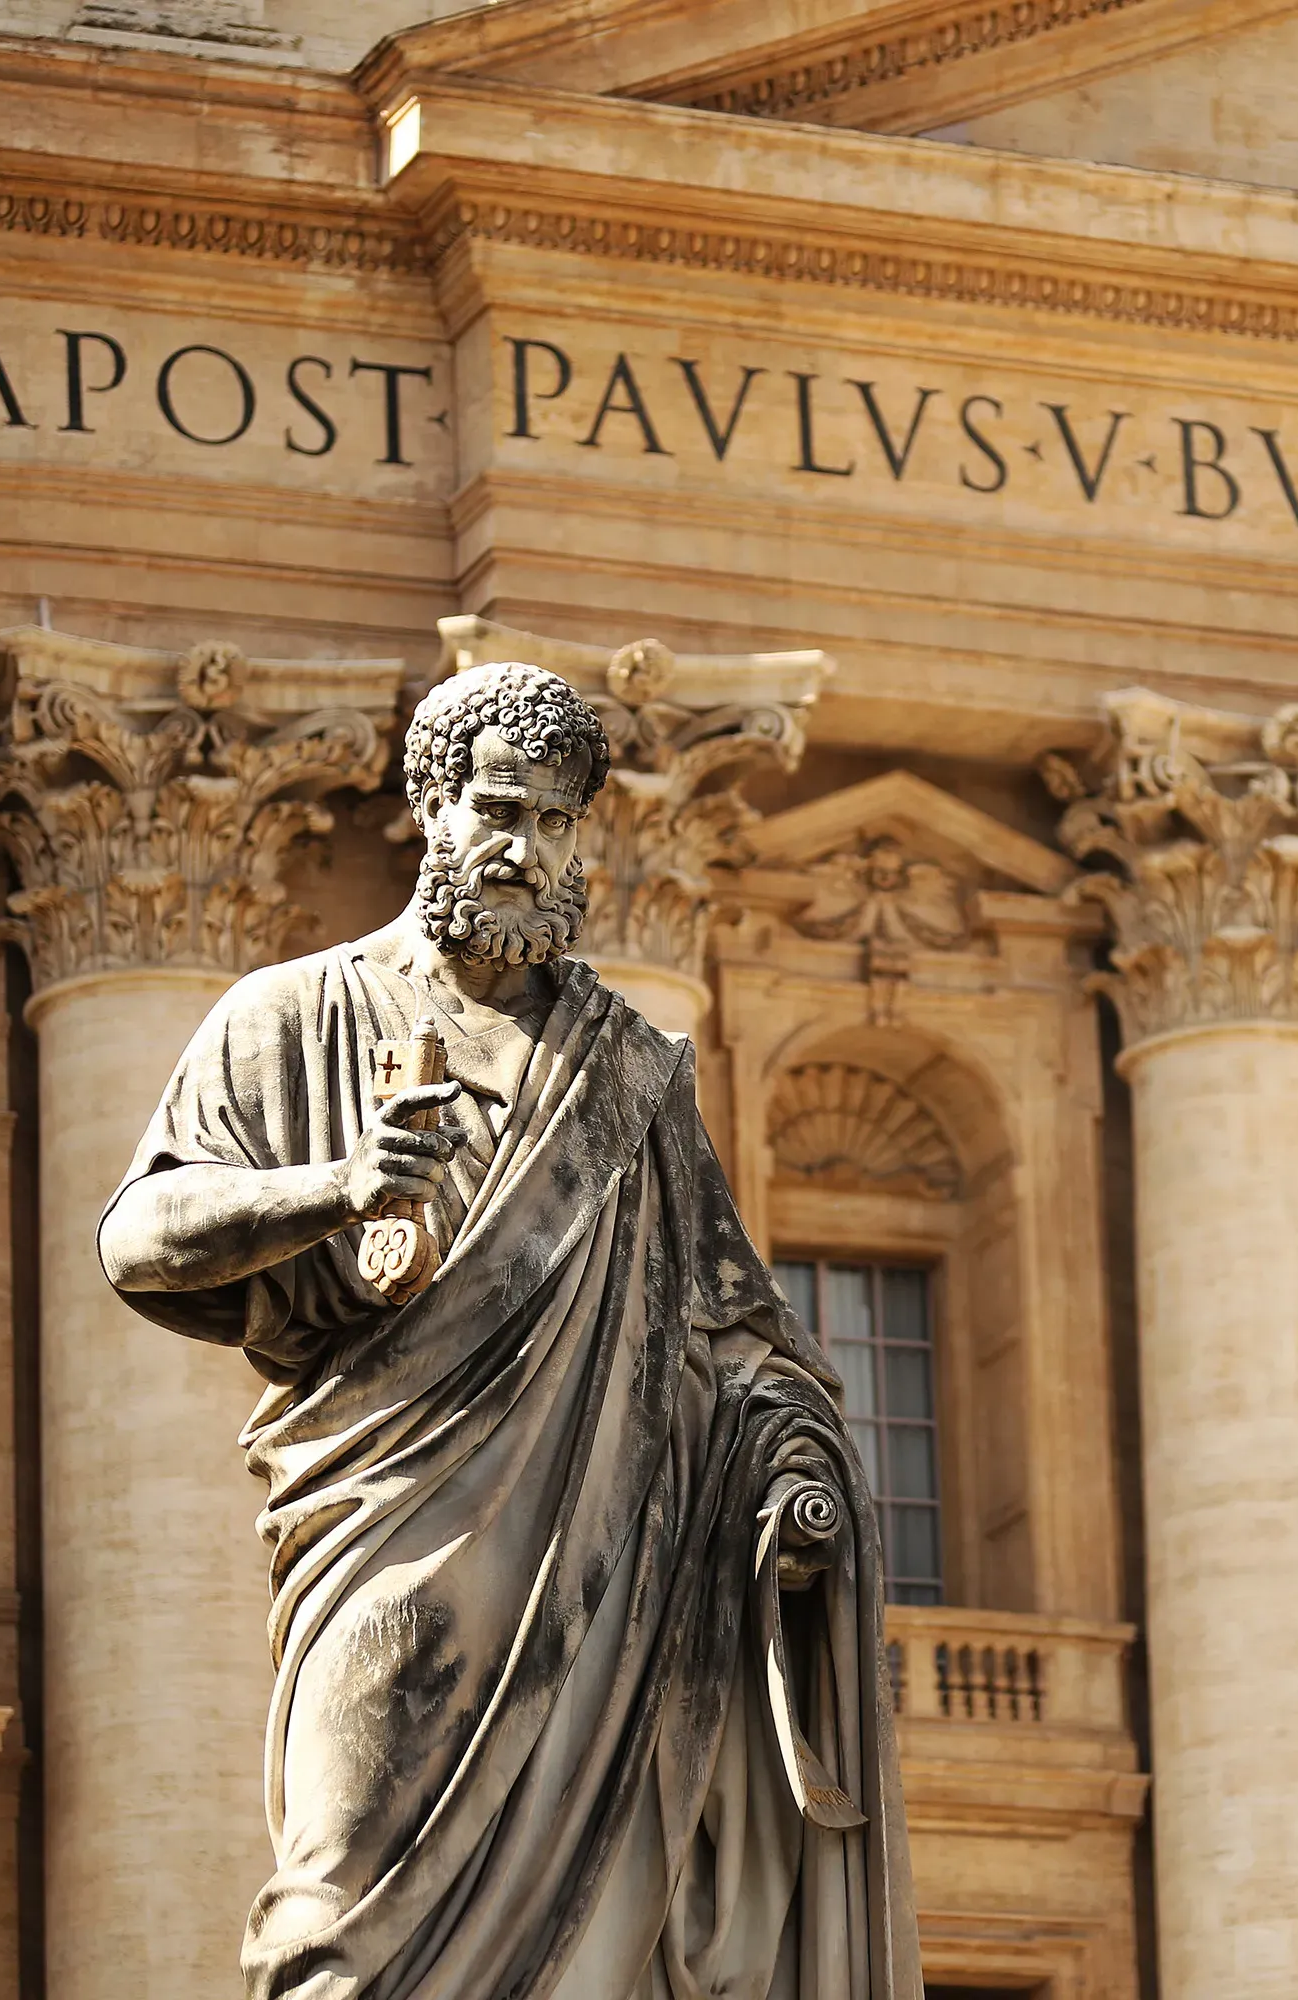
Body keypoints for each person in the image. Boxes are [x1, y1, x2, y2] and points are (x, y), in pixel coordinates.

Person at [99, 661, 918, 2000]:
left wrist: (791, 1466)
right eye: (494, 809)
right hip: (390, 1543)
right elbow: (136, 1243)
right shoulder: (292, 1018)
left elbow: (729, 1334)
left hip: (610, 1574)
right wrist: (339, 1187)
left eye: (551, 821)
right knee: (337, 1918)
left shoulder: (630, 1074)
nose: (521, 848)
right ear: (428, 804)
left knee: (604, 1946)